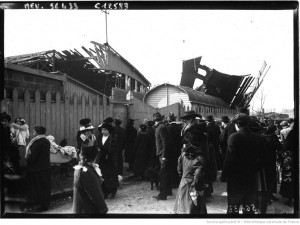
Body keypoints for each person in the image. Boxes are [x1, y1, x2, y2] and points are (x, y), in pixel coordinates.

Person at [224, 113, 263, 214]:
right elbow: (262, 158)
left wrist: (225, 175)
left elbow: (229, 159)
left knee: (233, 206)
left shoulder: (233, 137)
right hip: (251, 177)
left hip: (235, 177)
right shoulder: (257, 137)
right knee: (250, 206)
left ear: (237, 125)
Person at [73, 145, 108, 214]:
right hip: (88, 210)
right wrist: (103, 208)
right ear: (94, 157)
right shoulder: (86, 172)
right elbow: (95, 193)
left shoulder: (80, 168)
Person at [174, 143, 208, 214]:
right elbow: (199, 176)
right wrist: (200, 189)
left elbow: (179, 170)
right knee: (195, 210)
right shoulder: (200, 158)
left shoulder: (183, 154)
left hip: (183, 184)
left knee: (182, 209)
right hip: (193, 187)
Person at [25, 126, 51, 212]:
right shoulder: (46, 141)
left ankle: (41, 206)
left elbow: (33, 157)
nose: (33, 134)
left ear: (37, 132)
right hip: (45, 167)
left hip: (37, 169)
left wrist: (28, 159)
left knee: (39, 188)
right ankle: (45, 205)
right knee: (45, 187)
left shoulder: (37, 142)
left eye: (33, 132)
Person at [153, 112, 172, 200]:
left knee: (163, 174)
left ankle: (162, 195)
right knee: (166, 173)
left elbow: (165, 143)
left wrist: (164, 156)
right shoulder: (163, 127)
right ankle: (168, 191)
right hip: (162, 153)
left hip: (162, 154)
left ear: (156, 120)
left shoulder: (160, 128)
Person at [97, 122, 118, 199]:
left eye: (105, 130)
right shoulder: (99, 137)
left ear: (109, 130)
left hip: (110, 160)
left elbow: (113, 149)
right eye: (102, 130)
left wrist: (104, 149)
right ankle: (104, 192)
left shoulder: (112, 138)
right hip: (101, 160)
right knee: (102, 175)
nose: (103, 132)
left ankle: (112, 190)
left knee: (110, 176)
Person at [262, 125, 283, 202]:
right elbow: (279, 147)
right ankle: (270, 194)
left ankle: (265, 194)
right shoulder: (273, 137)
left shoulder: (262, 136)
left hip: (263, 160)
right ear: (273, 130)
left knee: (265, 177)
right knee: (271, 177)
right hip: (271, 159)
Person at [279, 120, 295, 206]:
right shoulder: (291, 131)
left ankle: (290, 197)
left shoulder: (292, 132)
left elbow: (286, 145)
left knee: (290, 178)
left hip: (291, 158)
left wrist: (282, 153)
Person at [167, 113, 183, 188]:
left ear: (169, 120)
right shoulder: (179, 128)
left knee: (171, 166)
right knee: (177, 165)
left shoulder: (169, 128)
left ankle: (172, 182)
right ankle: (177, 182)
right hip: (178, 149)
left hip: (171, 150)